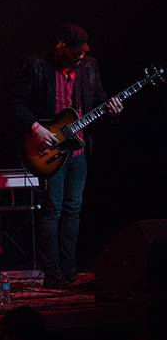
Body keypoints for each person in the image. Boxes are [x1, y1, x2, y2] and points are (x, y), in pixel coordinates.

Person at [11, 24, 122, 289]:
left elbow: (99, 99)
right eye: (74, 52)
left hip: (79, 150)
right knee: (52, 210)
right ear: (60, 45)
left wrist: (114, 111)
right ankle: (52, 273)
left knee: (73, 209)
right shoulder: (37, 65)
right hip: (50, 149)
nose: (79, 56)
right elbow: (16, 103)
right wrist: (36, 128)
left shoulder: (90, 66)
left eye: (82, 51)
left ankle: (69, 269)